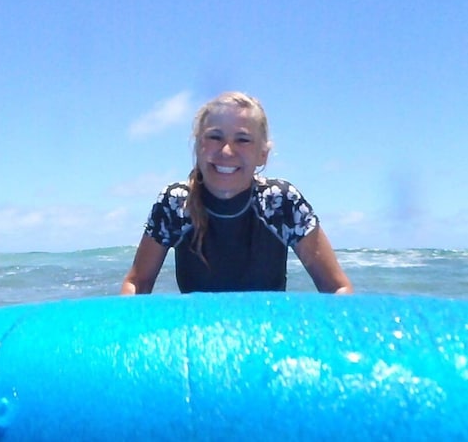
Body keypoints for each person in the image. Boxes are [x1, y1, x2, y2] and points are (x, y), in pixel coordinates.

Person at [121, 91, 353, 295]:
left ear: (263, 154)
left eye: (242, 140)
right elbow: (138, 284)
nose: (226, 150)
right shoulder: (175, 204)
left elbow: (336, 288)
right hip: (198, 337)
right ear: (198, 145)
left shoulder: (281, 202)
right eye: (215, 137)